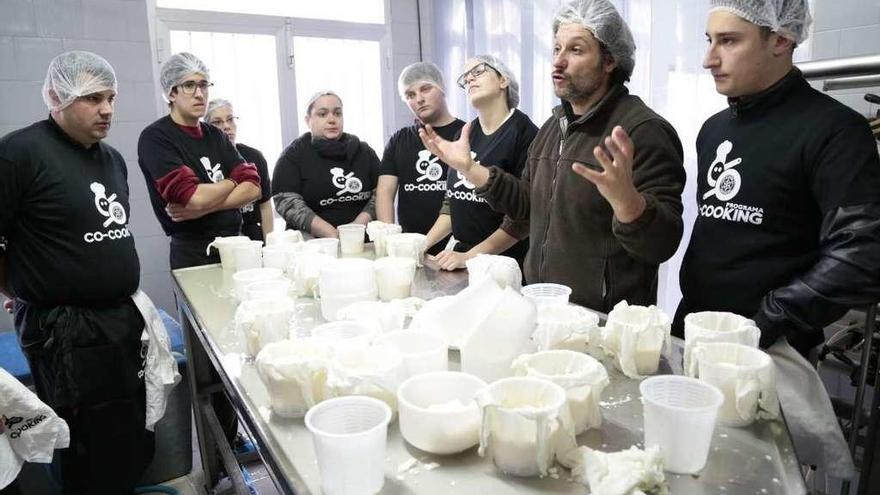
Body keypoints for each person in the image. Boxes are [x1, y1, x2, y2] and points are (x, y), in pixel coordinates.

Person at [420, 0, 685, 310]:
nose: (558, 62)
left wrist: (628, 203)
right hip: (545, 303)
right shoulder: (552, 128)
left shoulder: (642, 130)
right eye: (556, 48)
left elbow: (662, 244)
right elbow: (525, 210)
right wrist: (469, 167)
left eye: (576, 50)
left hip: (604, 320)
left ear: (610, 60)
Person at [675, 0, 880, 356]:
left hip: (771, 349)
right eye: (709, 40)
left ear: (781, 40)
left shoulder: (835, 132)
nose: (709, 59)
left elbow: (861, 256)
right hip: (693, 329)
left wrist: (764, 323)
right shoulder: (714, 130)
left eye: (728, 41)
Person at [0, 51, 153, 493]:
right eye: (91, 98)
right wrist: (25, 286)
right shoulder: (19, 154)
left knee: (127, 433)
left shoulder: (111, 159)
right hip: (63, 329)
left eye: (110, 97)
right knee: (83, 443)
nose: (107, 109)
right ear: (55, 96)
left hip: (119, 320)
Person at [137, 52, 261, 269]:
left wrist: (205, 208)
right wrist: (231, 182)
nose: (200, 94)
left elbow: (253, 187)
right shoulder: (156, 137)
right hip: (194, 252)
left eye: (204, 85)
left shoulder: (215, 135)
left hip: (234, 244)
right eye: (189, 85)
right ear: (171, 93)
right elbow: (193, 198)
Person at [422, 55, 537, 270]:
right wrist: (421, 245)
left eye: (479, 71)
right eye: (465, 78)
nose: (470, 80)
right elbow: (453, 202)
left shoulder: (525, 134)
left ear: (503, 80)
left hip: (505, 262)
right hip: (463, 256)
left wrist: (471, 257)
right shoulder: (464, 134)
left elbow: (524, 218)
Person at [377, 62, 464, 254]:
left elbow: (459, 201)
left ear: (442, 88)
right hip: (408, 247)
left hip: (455, 250)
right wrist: (389, 239)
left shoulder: (466, 134)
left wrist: (423, 244)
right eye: (410, 94)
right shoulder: (399, 140)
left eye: (426, 89)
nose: (419, 99)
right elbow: (385, 192)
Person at [273, 91, 380, 237]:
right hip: (312, 243)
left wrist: (356, 227)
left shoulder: (364, 151)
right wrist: (329, 233)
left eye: (337, 113)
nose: (332, 120)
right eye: (322, 114)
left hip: (362, 238)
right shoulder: (293, 155)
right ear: (308, 120)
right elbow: (285, 200)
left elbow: (380, 193)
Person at [206, 99, 274, 241]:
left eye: (230, 120)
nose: (226, 126)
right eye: (217, 122)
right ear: (206, 128)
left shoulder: (254, 156)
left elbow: (265, 206)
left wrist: (270, 244)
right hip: (219, 239)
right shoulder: (205, 161)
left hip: (254, 238)